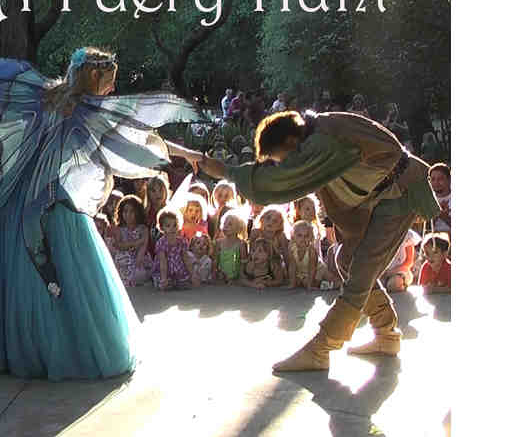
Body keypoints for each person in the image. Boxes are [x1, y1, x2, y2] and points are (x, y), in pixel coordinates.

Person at [0, 47, 202, 380]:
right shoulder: (77, 108)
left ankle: (15, 350)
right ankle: (49, 350)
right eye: (109, 81)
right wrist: (187, 153)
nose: (112, 89)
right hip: (46, 203)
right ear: (93, 76)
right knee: (51, 274)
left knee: (17, 275)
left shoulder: (48, 97)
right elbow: (139, 138)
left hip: (21, 200)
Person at [193, 110, 440, 371]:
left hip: (400, 194)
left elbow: (281, 179)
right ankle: (387, 335)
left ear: (291, 142)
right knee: (346, 260)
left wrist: (227, 171)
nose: (283, 163)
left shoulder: (323, 141)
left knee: (360, 272)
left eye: (281, 157)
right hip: (384, 196)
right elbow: (286, 171)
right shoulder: (319, 134)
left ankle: (322, 349)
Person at [112, 195, 153, 287]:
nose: (128, 215)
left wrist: (139, 260)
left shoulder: (143, 229)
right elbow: (119, 245)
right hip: (124, 259)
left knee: (140, 273)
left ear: (138, 213)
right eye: (125, 211)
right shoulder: (119, 229)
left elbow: (144, 245)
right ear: (121, 213)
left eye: (132, 211)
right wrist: (134, 243)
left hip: (139, 258)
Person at [152, 207, 197, 290]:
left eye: (174, 225)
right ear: (162, 228)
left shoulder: (181, 241)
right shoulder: (161, 243)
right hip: (165, 270)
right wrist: (164, 278)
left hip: (178, 270)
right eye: (168, 226)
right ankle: (166, 282)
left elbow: (186, 258)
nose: (172, 228)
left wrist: (193, 274)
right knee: (162, 283)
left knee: (185, 281)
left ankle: (178, 282)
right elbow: (162, 262)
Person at [211, 209, 248, 284]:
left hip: (236, 277)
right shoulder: (218, 242)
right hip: (221, 276)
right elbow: (215, 260)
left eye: (230, 224)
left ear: (238, 228)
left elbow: (243, 263)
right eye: (225, 224)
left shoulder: (241, 244)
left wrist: (240, 276)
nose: (226, 226)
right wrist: (215, 272)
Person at [428, 163, 451, 235]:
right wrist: (437, 213)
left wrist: (444, 216)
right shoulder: (426, 200)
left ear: (449, 180)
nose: (436, 183)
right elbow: (422, 229)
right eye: (433, 179)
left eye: (440, 179)